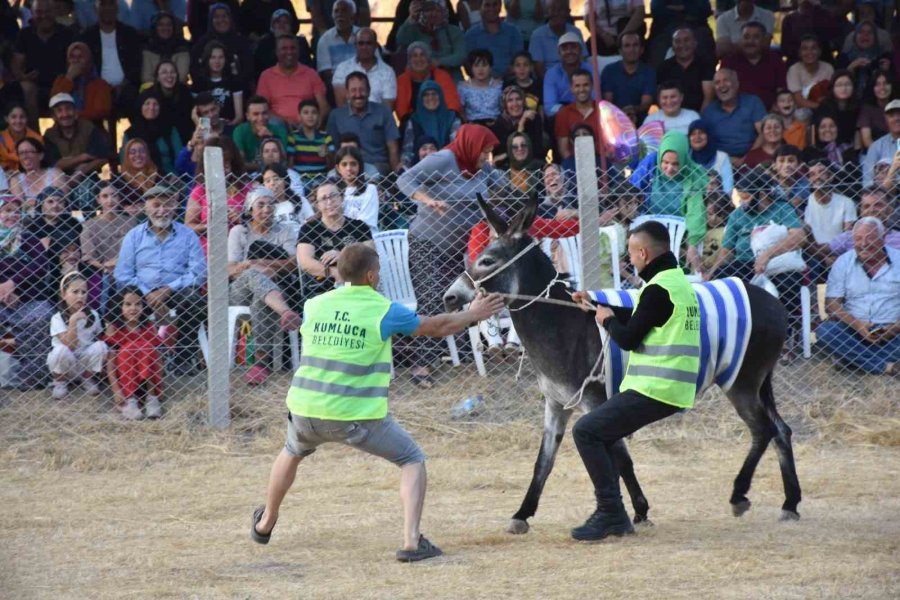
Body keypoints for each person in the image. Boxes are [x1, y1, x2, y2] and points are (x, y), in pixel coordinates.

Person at [251, 242, 505, 559]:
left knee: (291, 451)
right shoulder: (384, 309)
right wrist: (474, 313)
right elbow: (437, 326)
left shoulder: (315, 305)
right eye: (379, 272)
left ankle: (266, 522)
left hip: (304, 409)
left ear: (339, 273)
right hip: (353, 416)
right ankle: (412, 542)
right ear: (371, 276)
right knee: (411, 458)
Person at [568, 221, 700, 541]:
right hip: (670, 387)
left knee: (585, 431)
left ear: (643, 252)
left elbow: (627, 338)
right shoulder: (675, 283)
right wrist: (598, 309)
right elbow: (643, 319)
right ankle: (616, 514)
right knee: (605, 433)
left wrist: (608, 320)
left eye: (631, 252)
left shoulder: (656, 289)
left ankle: (611, 514)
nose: (630, 260)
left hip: (657, 387)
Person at [396, 123, 503, 387]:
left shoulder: (481, 169)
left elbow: (507, 188)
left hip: (461, 247)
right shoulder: (444, 159)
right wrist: (427, 200)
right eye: (484, 151)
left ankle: (463, 352)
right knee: (431, 296)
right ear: (471, 145)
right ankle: (423, 364)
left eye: (489, 152)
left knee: (461, 296)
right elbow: (404, 179)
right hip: (427, 242)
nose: (486, 157)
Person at [114, 185, 207, 365]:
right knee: (122, 300)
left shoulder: (187, 235)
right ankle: (134, 359)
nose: (162, 210)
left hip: (176, 291)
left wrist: (168, 289)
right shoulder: (133, 236)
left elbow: (199, 271)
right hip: (141, 294)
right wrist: (146, 293)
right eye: (156, 205)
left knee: (195, 301)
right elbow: (122, 274)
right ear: (146, 208)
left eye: (167, 205)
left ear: (175, 206)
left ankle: (183, 359)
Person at [228, 186, 302, 385]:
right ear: (250, 208)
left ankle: (260, 363)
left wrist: (261, 265)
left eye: (271, 205)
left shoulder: (285, 231)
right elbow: (230, 269)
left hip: (272, 291)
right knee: (254, 274)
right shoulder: (239, 232)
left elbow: (294, 263)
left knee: (263, 297)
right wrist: (253, 267)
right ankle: (286, 312)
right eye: (261, 205)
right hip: (240, 290)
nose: (267, 209)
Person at [817, 217, 900, 375]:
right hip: (854, 332)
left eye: (870, 238)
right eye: (858, 239)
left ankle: (853, 360)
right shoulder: (843, 262)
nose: (863, 244)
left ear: (882, 239)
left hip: (894, 331)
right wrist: (858, 325)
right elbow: (832, 304)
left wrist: (894, 328)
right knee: (826, 331)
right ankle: (887, 366)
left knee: (844, 347)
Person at [629, 131, 708, 272]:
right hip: (648, 232)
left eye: (675, 164)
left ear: (683, 160)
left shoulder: (692, 176)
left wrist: (692, 245)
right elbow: (630, 191)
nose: (670, 169)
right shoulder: (651, 165)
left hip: (680, 238)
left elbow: (696, 213)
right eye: (665, 162)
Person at [0, 194, 56, 391]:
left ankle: (32, 378)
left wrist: (13, 283)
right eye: (6, 211)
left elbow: (40, 265)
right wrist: (2, 289)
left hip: (29, 299)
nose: (11, 215)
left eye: (16, 211)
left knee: (42, 317)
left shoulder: (28, 238)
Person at [296, 181, 373, 300]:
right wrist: (334, 272)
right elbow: (304, 261)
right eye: (323, 199)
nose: (329, 202)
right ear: (317, 205)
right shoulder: (309, 229)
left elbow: (371, 255)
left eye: (333, 196)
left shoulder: (359, 226)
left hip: (357, 285)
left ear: (342, 198)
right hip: (322, 289)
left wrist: (344, 256)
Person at [11, 0, 76, 126]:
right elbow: (16, 63)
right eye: (39, 12)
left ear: (55, 12)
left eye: (47, 12)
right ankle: (34, 136)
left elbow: (74, 63)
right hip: (35, 87)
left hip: (62, 85)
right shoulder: (25, 35)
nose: (44, 16)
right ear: (32, 14)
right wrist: (22, 77)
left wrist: (66, 80)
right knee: (27, 88)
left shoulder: (67, 34)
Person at [104, 285, 163, 420]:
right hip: (125, 381)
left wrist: (160, 387)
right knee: (128, 349)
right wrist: (116, 391)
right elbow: (110, 364)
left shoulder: (148, 327)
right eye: (128, 304)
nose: (133, 308)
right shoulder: (115, 328)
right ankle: (130, 401)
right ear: (120, 306)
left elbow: (158, 360)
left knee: (147, 347)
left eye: (138, 304)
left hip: (147, 380)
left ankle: (151, 398)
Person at [47, 270, 108, 399]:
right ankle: (60, 382)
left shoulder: (93, 315)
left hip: (83, 364)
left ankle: (87, 379)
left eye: (84, 292)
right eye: (75, 292)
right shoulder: (57, 318)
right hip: (64, 364)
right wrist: (73, 321)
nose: (80, 296)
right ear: (64, 294)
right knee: (61, 350)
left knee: (101, 346)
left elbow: (101, 338)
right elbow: (70, 346)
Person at [326, 72, 401, 175]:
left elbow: (393, 148)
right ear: (347, 93)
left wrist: (396, 177)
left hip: (377, 167)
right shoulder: (336, 115)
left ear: (369, 91)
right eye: (353, 90)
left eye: (362, 90)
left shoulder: (384, 112)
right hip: (347, 167)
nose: (358, 94)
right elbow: (332, 149)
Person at [185, 136, 251, 252]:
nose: (222, 166)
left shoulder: (248, 189)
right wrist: (209, 227)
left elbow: (261, 223)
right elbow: (188, 225)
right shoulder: (200, 190)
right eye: (217, 161)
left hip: (241, 250)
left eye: (226, 161)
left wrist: (241, 220)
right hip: (207, 252)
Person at [77, 0, 141, 120]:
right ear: (95, 9)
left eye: (111, 4)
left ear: (117, 8)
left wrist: (123, 85)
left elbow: (136, 66)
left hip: (126, 88)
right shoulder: (87, 36)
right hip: (97, 89)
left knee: (134, 99)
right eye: (103, 4)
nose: (107, 8)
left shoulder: (130, 34)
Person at [257, 35, 329, 127]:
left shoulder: (311, 73)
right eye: (284, 48)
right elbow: (262, 108)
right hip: (278, 127)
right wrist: (286, 123)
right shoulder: (266, 76)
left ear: (299, 51)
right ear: (276, 52)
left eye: (293, 48)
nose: (289, 52)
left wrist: (318, 121)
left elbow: (323, 105)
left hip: (306, 125)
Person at [80, 182, 136, 301]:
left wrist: (118, 264)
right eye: (105, 196)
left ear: (119, 198)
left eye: (114, 195)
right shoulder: (89, 225)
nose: (110, 200)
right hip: (101, 271)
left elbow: (135, 250)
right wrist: (105, 267)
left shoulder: (130, 222)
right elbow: (88, 257)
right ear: (98, 199)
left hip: (127, 267)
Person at [701, 69, 766, 162]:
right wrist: (727, 160)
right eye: (717, 83)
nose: (722, 85)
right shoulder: (709, 111)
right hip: (719, 162)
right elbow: (705, 142)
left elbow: (763, 133)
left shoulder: (753, 102)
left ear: (737, 84)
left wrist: (747, 158)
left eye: (726, 80)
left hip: (752, 160)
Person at [720, 21, 787, 111]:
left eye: (756, 37)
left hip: (769, 113)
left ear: (763, 40)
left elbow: (781, 90)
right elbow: (722, 91)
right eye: (746, 37)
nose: (750, 41)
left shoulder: (775, 60)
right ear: (741, 39)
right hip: (737, 112)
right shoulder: (729, 61)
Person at [42, 92, 110, 179]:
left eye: (68, 109)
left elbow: (103, 157)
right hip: (59, 179)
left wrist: (80, 172)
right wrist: (83, 157)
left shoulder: (88, 128)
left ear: (75, 112)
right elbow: (55, 164)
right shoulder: (50, 135)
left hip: (88, 176)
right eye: (59, 110)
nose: (65, 114)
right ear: (54, 116)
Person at [396, 0, 467, 80]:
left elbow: (461, 55)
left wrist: (438, 62)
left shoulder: (453, 30)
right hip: (423, 80)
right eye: (429, 10)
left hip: (452, 78)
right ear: (422, 12)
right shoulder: (414, 29)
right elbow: (400, 40)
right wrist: (411, 18)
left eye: (438, 10)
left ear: (444, 13)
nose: (434, 14)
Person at [188, 3, 254, 88]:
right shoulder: (201, 44)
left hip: (237, 91)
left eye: (224, 16)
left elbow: (248, 70)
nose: (221, 20)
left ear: (230, 19)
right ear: (211, 20)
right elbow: (195, 70)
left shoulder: (242, 42)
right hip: (207, 91)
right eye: (217, 17)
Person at [395, 42, 463, 122]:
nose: (419, 59)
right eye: (414, 56)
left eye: (422, 55)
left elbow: (453, 103)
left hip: (442, 121)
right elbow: (402, 111)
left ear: (429, 58)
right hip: (414, 123)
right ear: (409, 60)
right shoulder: (402, 81)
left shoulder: (442, 76)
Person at [331, 28, 396, 110]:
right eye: (361, 43)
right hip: (349, 120)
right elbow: (341, 106)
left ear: (376, 46)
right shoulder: (342, 69)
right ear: (355, 45)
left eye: (369, 43)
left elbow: (387, 108)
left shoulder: (388, 72)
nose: (364, 47)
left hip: (378, 121)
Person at [827, 186, 900, 258]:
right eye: (866, 206)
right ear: (861, 212)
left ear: (890, 210)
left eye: (878, 205)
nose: (872, 210)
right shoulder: (847, 238)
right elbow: (823, 251)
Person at [121, 90, 183, 175]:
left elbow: (180, 158)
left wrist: (176, 176)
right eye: (147, 103)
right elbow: (124, 163)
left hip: (169, 180)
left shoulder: (170, 130)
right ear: (140, 106)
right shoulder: (130, 134)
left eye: (155, 104)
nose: (151, 107)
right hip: (138, 182)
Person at [401, 82, 461, 168]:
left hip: (447, 166)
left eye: (434, 94)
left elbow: (456, 146)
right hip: (419, 168)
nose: (430, 97)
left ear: (440, 95)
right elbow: (408, 150)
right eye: (426, 95)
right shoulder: (414, 120)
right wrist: (404, 165)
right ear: (420, 98)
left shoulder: (452, 118)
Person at [49, 41, 112, 123]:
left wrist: (74, 116)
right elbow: (54, 103)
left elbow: (101, 111)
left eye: (80, 57)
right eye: (72, 57)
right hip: (63, 126)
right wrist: (69, 78)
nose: (76, 61)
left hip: (91, 127)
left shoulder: (99, 84)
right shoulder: (61, 80)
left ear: (88, 59)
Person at [657, 27, 715, 113]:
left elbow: (708, 98)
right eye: (678, 41)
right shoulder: (663, 68)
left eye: (686, 40)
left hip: (700, 117)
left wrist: (698, 122)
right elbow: (661, 98)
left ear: (695, 43)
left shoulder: (706, 65)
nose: (682, 45)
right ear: (672, 46)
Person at [600, 33, 655, 122]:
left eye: (635, 45)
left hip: (641, 122)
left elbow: (645, 104)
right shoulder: (609, 71)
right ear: (620, 51)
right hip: (613, 121)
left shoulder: (648, 72)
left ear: (641, 50)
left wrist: (632, 110)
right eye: (627, 46)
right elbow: (608, 103)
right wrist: (622, 113)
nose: (631, 49)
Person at [190, 40, 245, 127]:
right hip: (205, 129)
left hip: (229, 128)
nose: (217, 61)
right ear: (207, 59)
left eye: (221, 57)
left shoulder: (234, 81)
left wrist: (227, 127)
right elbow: (195, 115)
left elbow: (239, 116)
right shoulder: (198, 83)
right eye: (213, 57)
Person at [463, 0, 523, 77]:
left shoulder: (514, 32)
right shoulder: (471, 34)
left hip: (510, 81)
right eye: (487, 5)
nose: (491, 8)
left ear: (500, 6)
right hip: (482, 83)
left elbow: (518, 60)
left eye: (495, 5)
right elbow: (468, 64)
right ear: (480, 7)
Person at [9, 137, 67, 214]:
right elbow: (18, 207)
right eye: (21, 153)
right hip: (28, 222)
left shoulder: (56, 173)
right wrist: (46, 202)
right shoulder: (16, 180)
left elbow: (61, 201)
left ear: (41, 155)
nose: (25, 156)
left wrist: (31, 203)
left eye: (29, 152)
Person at [489, 85, 543, 167]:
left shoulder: (533, 118)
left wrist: (522, 123)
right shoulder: (500, 123)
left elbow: (536, 148)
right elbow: (501, 151)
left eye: (518, 99)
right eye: (510, 100)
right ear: (505, 104)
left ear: (523, 101)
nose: (515, 104)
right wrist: (521, 125)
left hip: (531, 163)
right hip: (507, 165)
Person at [231, 96, 291, 169]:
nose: (261, 118)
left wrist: (270, 138)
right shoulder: (240, 131)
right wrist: (263, 165)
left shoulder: (279, 130)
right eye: (256, 114)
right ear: (248, 116)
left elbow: (282, 161)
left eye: (264, 113)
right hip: (248, 175)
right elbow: (240, 163)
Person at [529, 0, 585, 78]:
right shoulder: (537, 35)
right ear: (547, 13)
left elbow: (582, 60)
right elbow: (539, 69)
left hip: (575, 80)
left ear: (568, 12)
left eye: (561, 9)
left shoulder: (576, 32)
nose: (556, 13)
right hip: (548, 80)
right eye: (553, 9)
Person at [543, 31, 592, 118]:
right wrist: (572, 112)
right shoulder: (551, 74)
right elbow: (549, 108)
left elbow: (595, 99)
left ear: (580, 50)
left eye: (573, 47)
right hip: (562, 116)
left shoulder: (591, 70)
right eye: (564, 48)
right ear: (559, 53)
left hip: (587, 113)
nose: (569, 51)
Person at [554, 69, 601, 160]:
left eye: (585, 85)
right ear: (571, 88)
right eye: (577, 86)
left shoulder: (603, 110)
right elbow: (564, 150)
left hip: (602, 164)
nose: (582, 90)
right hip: (574, 165)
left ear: (592, 86)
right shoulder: (563, 114)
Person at [333, 146, 380, 231]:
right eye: (344, 164)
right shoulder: (333, 191)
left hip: (365, 236)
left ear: (360, 166)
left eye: (353, 164)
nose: (349, 168)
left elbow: (368, 220)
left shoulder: (370, 189)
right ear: (338, 168)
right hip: (340, 236)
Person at [288, 99, 334, 184]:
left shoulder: (325, 136)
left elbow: (333, 164)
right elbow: (290, 164)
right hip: (300, 181)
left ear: (318, 116)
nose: (310, 116)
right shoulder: (293, 137)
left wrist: (328, 153)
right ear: (299, 117)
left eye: (314, 112)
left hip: (321, 180)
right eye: (306, 113)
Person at [149, 60, 195, 145]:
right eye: (164, 72)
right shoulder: (149, 95)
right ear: (157, 77)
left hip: (184, 139)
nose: (169, 75)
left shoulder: (185, 92)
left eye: (172, 72)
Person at [254, 8, 313, 74]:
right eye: (278, 22)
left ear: (291, 26)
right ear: (272, 26)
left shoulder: (301, 42)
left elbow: (307, 65)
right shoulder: (264, 44)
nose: (282, 25)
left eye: (285, 22)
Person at [812, 70, 861, 148]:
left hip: (850, 149)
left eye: (847, 85)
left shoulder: (858, 107)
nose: (844, 88)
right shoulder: (824, 107)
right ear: (832, 88)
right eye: (839, 85)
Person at [316, 0, 360, 84]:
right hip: (336, 86)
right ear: (333, 16)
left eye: (344, 10)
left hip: (363, 83)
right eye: (336, 11)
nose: (339, 14)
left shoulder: (364, 36)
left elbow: (374, 64)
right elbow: (326, 73)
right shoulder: (325, 40)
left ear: (353, 15)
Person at [140, 11, 191, 85]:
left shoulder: (182, 48)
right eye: (161, 25)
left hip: (178, 91)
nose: (165, 28)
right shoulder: (147, 49)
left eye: (169, 25)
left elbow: (181, 78)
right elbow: (146, 78)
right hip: (152, 91)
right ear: (155, 27)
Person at [787, 34, 834, 113]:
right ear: (799, 53)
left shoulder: (828, 68)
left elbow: (832, 95)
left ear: (819, 51)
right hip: (800, 114)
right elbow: (798, 100)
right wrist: (822, 107)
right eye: (805, 49)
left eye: (813, 48)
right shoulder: (794, 70)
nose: (809, 52)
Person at [26, 186, 82, 252]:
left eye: (60, 201)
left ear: (65, 204)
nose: (55, 205)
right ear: (41, 205)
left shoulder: (74, 224)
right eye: (50, 202)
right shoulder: (32, 226)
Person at [261, 163, 315, 228]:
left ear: (285, 181)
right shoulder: (264, 208)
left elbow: (311, 222)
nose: (272, 183)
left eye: (276, 179)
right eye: (268, 181)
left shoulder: (300, 200)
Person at [687, 119, 733, 194]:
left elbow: (728, 188)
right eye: (693, 134)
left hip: (718, 201)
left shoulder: (722, 157)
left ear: (709, 135)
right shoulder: (686, 157)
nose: (697, 137)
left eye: (701, 133)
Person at [457, 49, 503, 124]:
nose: (480, 69)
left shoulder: (499, 86)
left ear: (490, 67)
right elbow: (460, 111)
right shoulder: (463, 87)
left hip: (495, 126)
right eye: (476, 66)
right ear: (471, 68)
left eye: (484, 65)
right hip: (472, 126)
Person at [861, 99, 900, 185]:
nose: (897, 118)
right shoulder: (876, 147)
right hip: (885, 196)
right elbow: (868, 182)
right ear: (886, 119)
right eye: (892, 115)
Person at [858, 69, 898, 149]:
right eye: (877, 84)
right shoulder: (867, 109)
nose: (882, 88)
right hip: (874, 152)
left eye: (886, 83)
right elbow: (867, 141)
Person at [0, 104, 42, 173]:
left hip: (31, 176)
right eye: (13, 117)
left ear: (27, 119)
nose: (18, 121)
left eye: (22, 117)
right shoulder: (1, 137)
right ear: (6, 119)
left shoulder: (36, 139)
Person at [771, 144, 810, 209]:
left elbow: (790, 207)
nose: (786, 165)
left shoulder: (804, 184)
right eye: (781, 161)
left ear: (799, 165)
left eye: (791, 161)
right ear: (774, 165)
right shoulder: (770, 184)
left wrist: (781, 185)